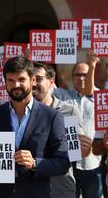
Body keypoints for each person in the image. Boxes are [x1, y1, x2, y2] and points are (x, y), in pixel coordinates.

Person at [0, 56, 69, 197]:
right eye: (11, 80)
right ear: (5, 82)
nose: (16, 85)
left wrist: (34, 163)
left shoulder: (51, 117)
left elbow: (63, 163)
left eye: (21, 79)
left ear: (32, 80)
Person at [32, 62, 92, 198]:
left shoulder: (69, 110)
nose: (34, 83)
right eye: (31, 79)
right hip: (31, 188)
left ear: (51, 82)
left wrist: (86, 149)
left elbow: (79, 151)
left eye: (39, 79)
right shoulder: (21, 112)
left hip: (61, 189)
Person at [53, 51, 103, 198]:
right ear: (72, 77)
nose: (82, 78)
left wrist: (92, 65)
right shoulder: (61, 95)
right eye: (78, 75)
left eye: (85, 74)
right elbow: (42, 86)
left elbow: (89, 91)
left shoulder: (101, 97)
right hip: (69, 162)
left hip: (94, 162)